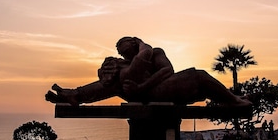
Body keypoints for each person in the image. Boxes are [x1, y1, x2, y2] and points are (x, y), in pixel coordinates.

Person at [46, 37, 252, 107]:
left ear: (135, 42)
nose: (120, 49)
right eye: (118, 49)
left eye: (124, 45)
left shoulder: (153, 53)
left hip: (158, 89)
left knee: (198, 76)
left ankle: (232, 99)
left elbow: (168, 70)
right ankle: (75, 95)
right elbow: (106, 84)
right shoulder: (124, 64)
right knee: (117, 82)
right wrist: (107, 71)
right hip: (142, 95)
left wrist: (143, 85)